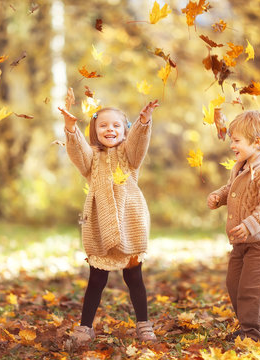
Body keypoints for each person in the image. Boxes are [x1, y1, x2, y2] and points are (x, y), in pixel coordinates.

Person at [58, 87, 159, 347]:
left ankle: (144, 324)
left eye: (116, 125)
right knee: (96, 279)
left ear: (124, 131)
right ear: (95, 131)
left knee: (134, 277)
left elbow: (138, 144)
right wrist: (71, 128)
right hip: (99, 225)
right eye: (103, 125)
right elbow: (78, 152)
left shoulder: (129, 157)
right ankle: (85, 327)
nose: (110, 129)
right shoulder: (92, 158)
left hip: (130, 223)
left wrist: (143, 122)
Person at [207, 110, 260, 342]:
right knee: (234, 286)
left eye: (236, 140)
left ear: (257, 142)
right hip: (240, 242)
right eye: (232, 139)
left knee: (250, 291)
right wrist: (219, 197)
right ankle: (259, 324)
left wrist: (250, 225)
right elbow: (233, 189)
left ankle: (254, 335)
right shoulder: (241, 166)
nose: (232, 145)